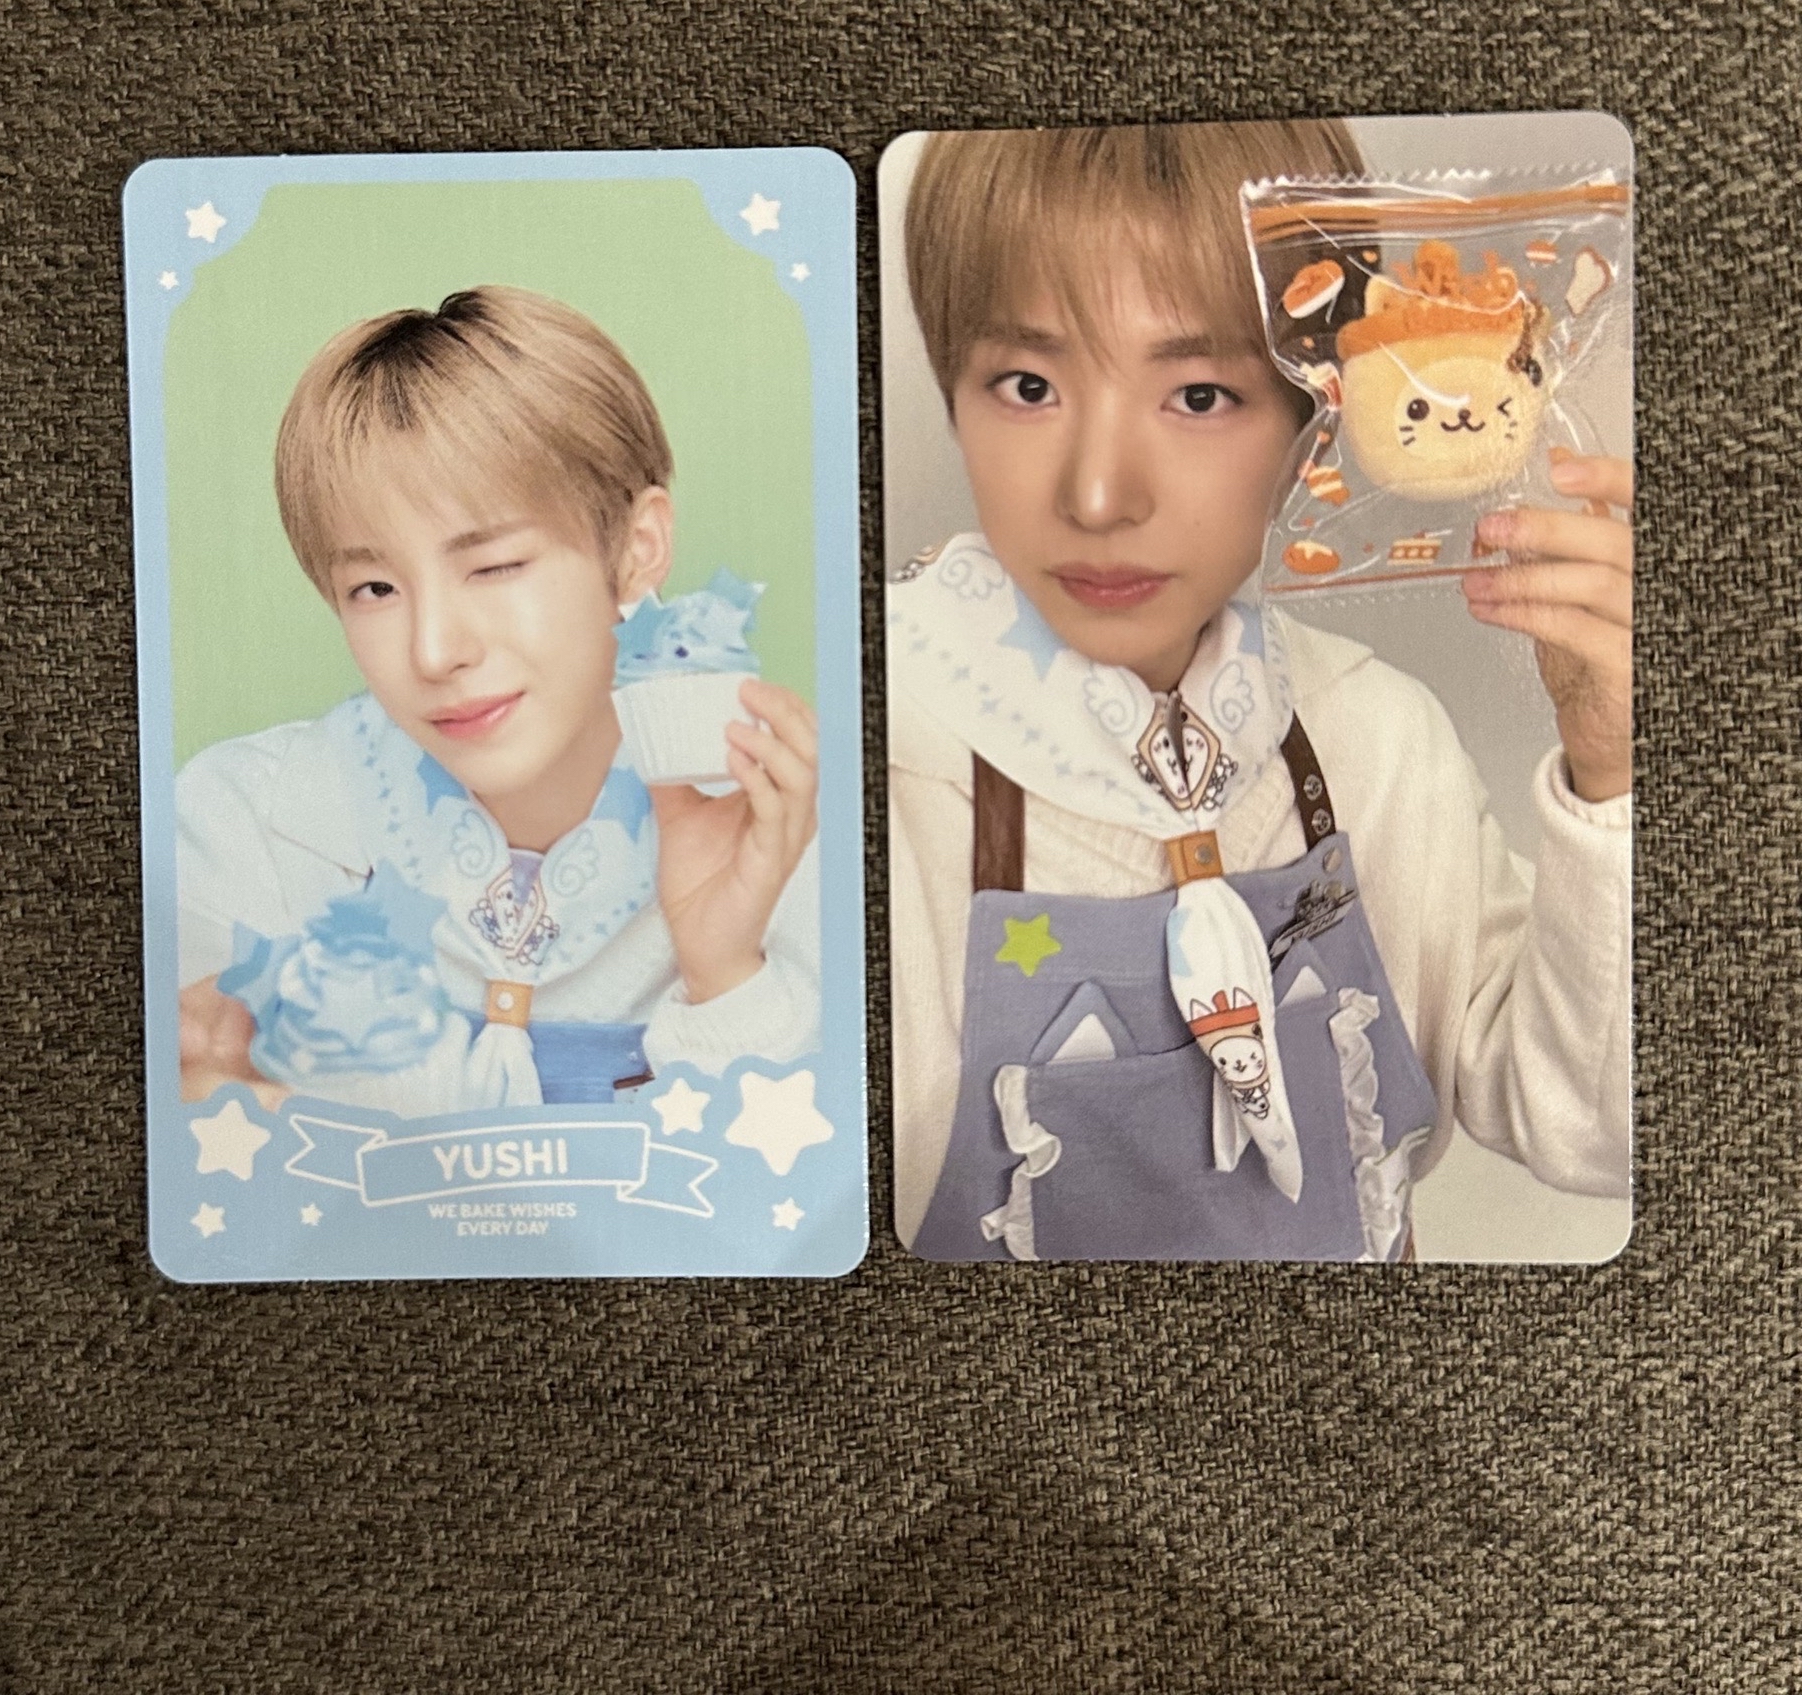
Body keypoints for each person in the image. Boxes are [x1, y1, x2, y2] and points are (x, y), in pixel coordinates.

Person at [887, 124, 1631, 1260]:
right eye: (1028, 385)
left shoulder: (1376, 739)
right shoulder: (860, 768)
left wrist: (1612, 769)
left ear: (1317, 418)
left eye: (1198, 395)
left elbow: (1595, 1130)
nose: (1099, 495)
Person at [176, 284, 820, 1120]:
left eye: (495, 566)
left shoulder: (780, 828)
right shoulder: (243, 826)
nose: (434, 650)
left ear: (637, 547)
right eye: (375, 588)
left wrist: (723, 972)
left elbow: (795, 1188)